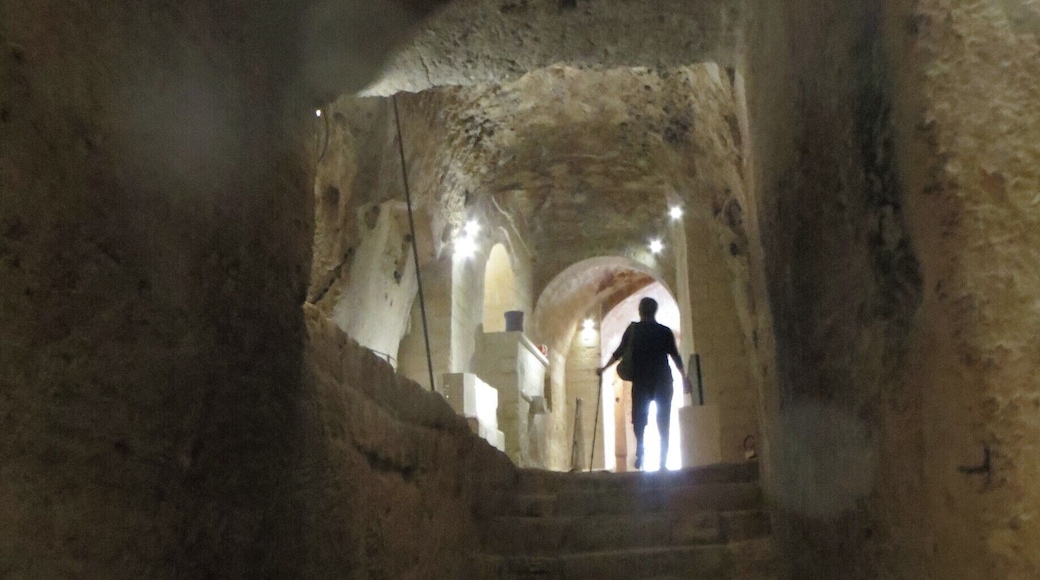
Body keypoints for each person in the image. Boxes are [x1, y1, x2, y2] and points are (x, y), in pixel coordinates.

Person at [597, 297, 688, 471]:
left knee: (639, 420)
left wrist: (603, 369)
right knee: (664, 421)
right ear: (655, 311)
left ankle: (640, 450)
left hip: (641, 381)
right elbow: (676, 357)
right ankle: (662, 463)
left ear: (640, 311)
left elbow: (619, 353)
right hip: (663, 381)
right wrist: (685, 378)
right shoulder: (664, 331)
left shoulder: (633, 330)